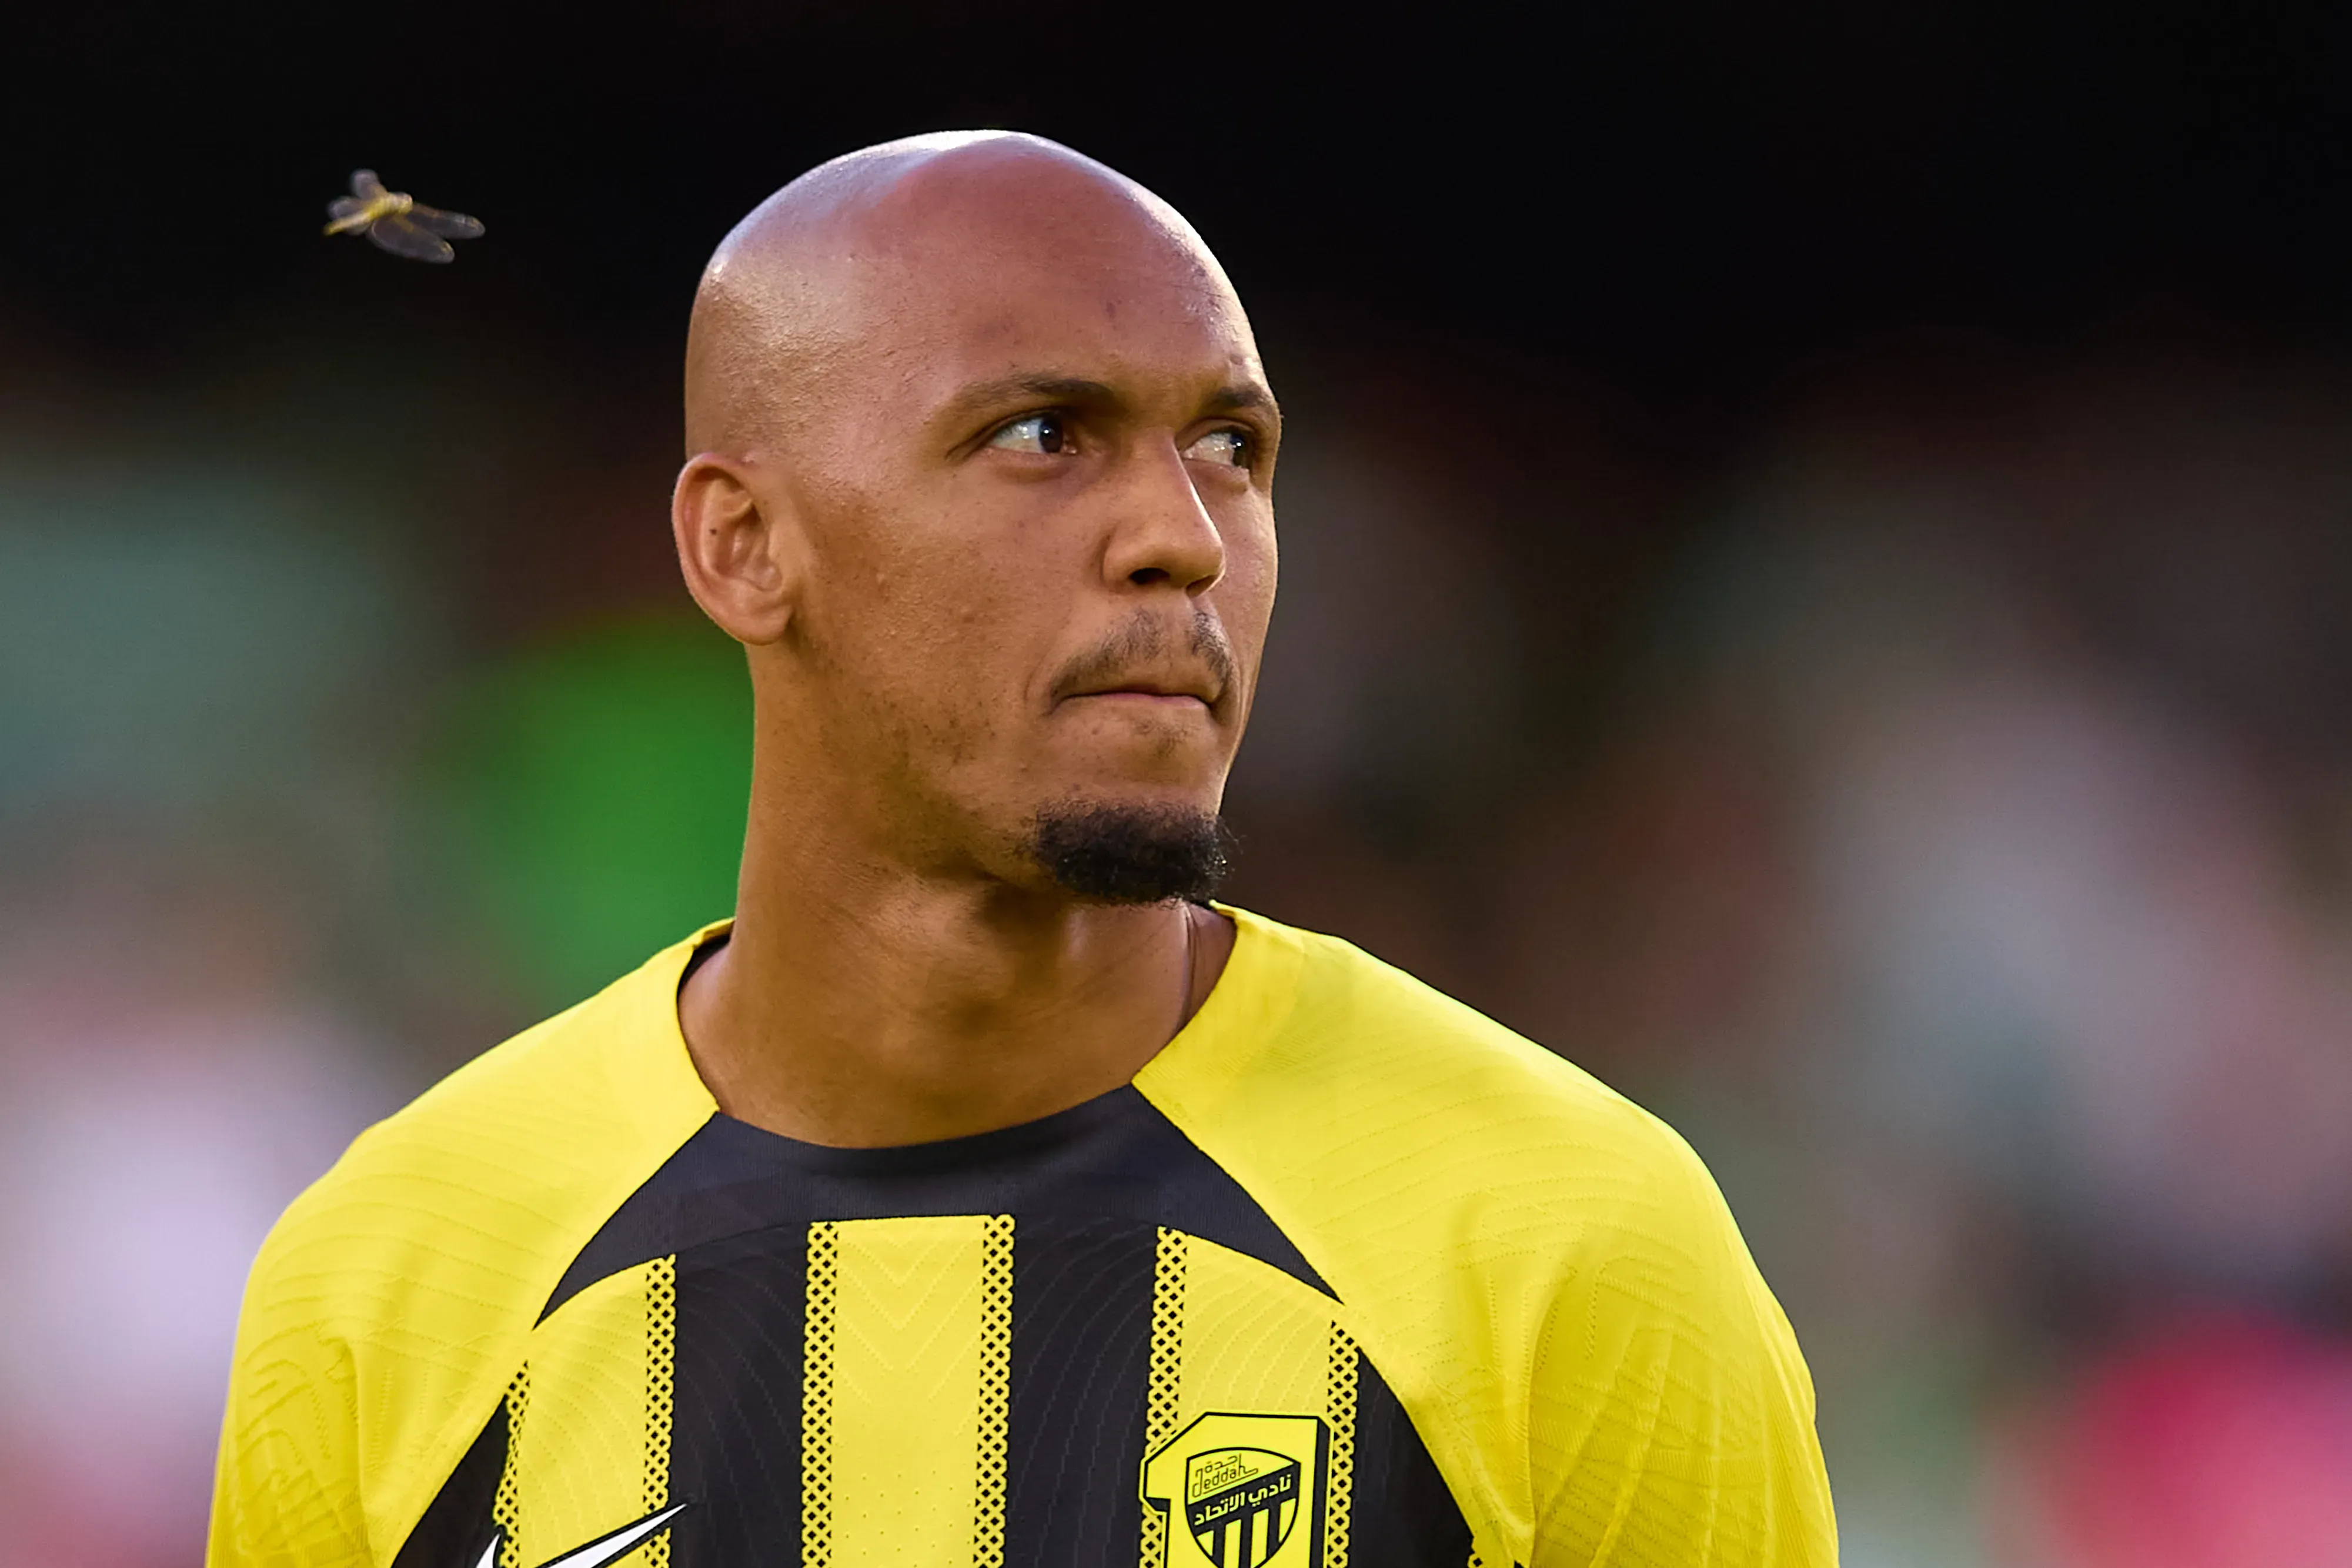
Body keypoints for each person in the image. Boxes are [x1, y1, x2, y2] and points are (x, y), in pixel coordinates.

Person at [209, 131, 1836, 1568]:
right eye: (1045, 436)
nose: (1182, 540)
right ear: (741, 544)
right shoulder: (391, 1281)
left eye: (1232, 450)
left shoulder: (1570, 1246)